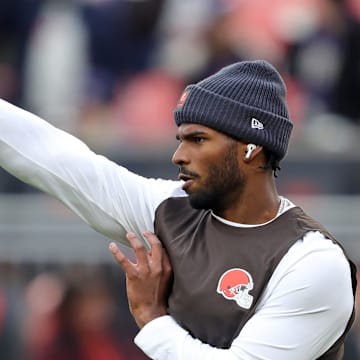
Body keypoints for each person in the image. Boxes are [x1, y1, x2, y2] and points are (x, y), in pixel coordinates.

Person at [0, 60, 357, 359]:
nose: (179, 156)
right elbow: (54, 157)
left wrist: (153, 320)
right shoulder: (172, 211)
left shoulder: (311, 262)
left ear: (252, 149)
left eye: (198, 139)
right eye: (180, 139)